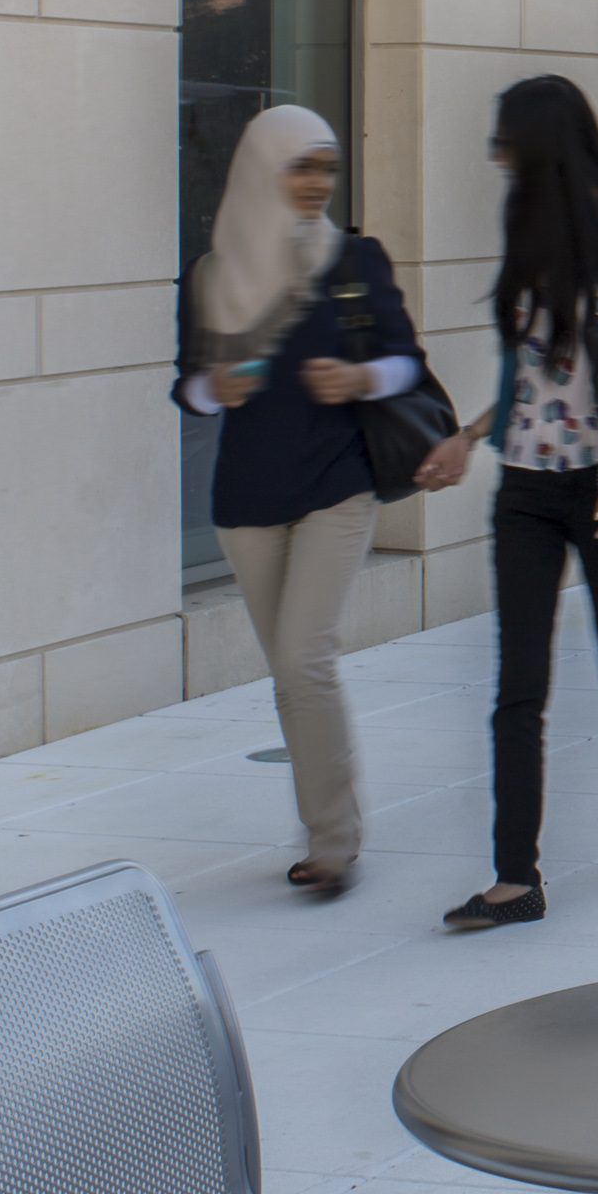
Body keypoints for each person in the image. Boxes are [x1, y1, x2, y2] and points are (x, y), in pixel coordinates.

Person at [418, 75, 598, 929]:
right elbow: (532, 375)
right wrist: (468, 434)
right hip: (528, 489)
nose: (497, 158)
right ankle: (515, 878)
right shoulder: (526, 230)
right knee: (517, 687)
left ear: (545, 144)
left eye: (507, 142)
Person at [176, 105, 421, 898]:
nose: (317, 183)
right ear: (262, 170)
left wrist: (359, 379)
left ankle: (333, 843)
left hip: (335, 485)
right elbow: (187, 387)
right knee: (289, 673)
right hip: (248, 498)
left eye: (327, 167)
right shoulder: (215, 275)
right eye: (301, 166)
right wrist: (218, 386)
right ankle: (330, 824)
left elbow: (407, 364)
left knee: (304, 660)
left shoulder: (355, 260)